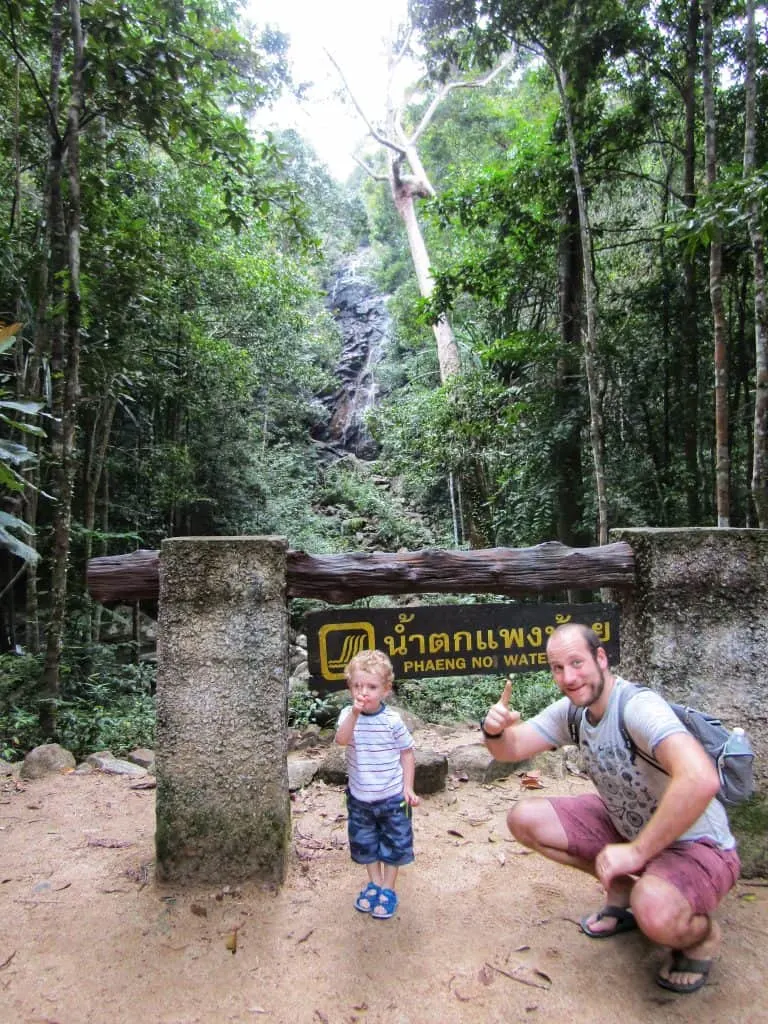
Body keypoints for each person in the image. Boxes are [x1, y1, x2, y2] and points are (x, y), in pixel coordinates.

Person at [480, 622, 740, 995]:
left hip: (697, 843)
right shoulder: (574, 712)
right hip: (627, 825)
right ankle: (623, 892)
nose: (569, 677)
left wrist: (636, 852)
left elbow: (700, 779)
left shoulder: (637, 708)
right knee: (525, 818)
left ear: (600, 658)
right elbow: (509, 749)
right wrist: (494, 731)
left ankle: (701, 937)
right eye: (557, 667)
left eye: (577, 663)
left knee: (656, 910)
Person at [334, 648, 420, 919]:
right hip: (360, 798)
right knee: (365, 843)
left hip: (393, 797)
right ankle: (374, 882)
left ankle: (388, 888)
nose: (364, 692)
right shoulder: (348, 715)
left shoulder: (392, 720)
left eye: (371, 686)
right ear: (350, 687)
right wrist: (355, 715)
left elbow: (407, 753)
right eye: (358, 686)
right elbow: (341, 740)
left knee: (395, 844)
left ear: (385, 689)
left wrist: (408, 787)